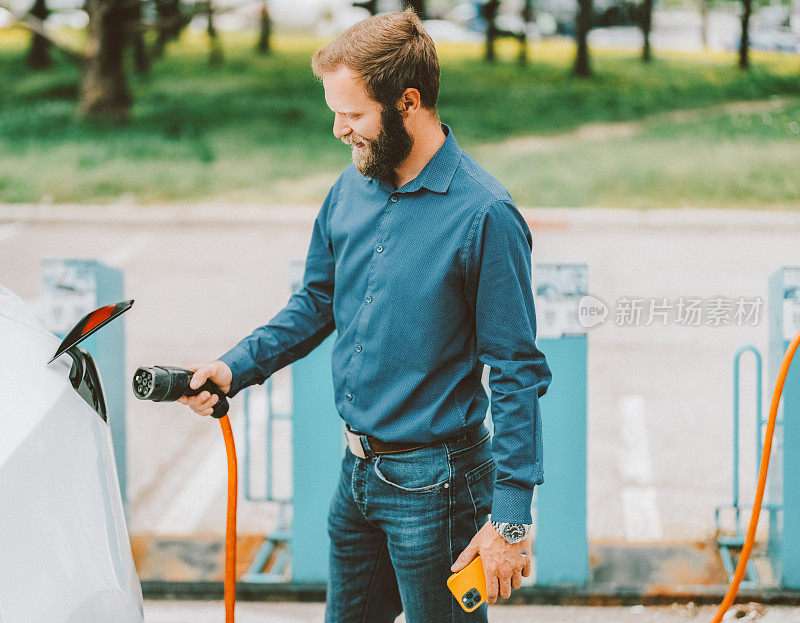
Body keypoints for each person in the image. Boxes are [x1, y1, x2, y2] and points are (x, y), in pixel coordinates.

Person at [179, 8, 552, 622]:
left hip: (440, 488)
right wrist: (234, 367)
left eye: (353, 114)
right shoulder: (351, 187)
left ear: (408, 103)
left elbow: (516, 369)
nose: (338, 130)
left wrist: (511, 517)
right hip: (356, 476)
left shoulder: (485, 216)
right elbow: (317, 301)